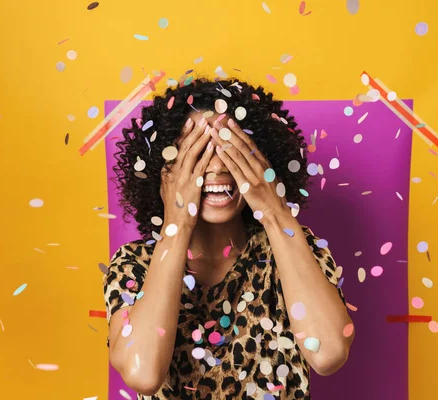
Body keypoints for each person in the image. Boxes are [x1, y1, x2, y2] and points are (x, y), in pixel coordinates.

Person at [103, 77, 354, 400]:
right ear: (163, 171)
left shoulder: (294, 247)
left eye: (230, 148)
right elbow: (143, 373)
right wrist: (176, 225)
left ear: (262, 159)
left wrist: (275, 212)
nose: (218, 165)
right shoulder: (134, 264)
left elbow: (329, 353)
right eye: (197, 151)